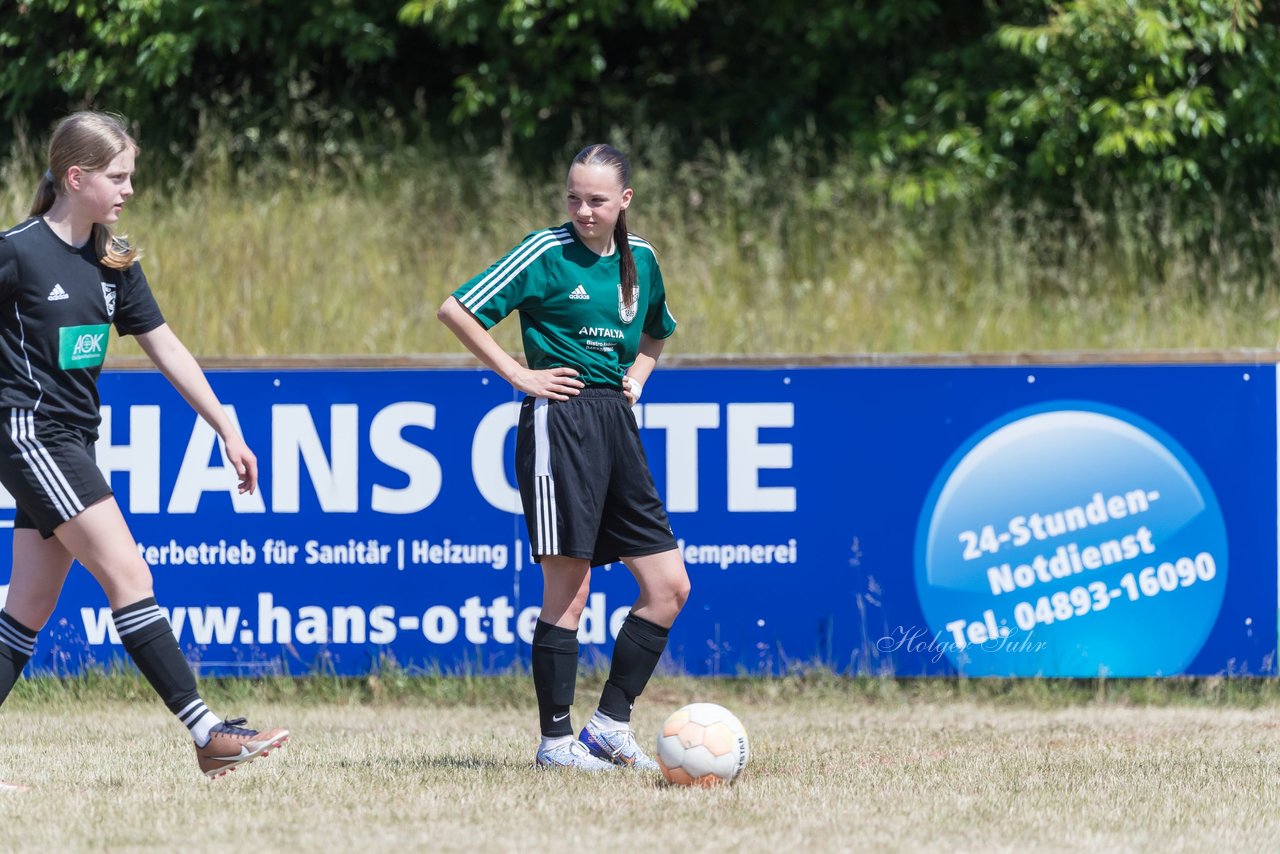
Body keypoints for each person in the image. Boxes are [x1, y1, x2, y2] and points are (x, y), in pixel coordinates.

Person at [0, 111, 288, 789]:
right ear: (77, 177)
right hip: (31, 435)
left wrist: (227, 425)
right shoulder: (15, 252)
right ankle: (207, 734)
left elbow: (166, 346)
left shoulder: (114, 258)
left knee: (27, 610)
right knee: (130, 576)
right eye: (118, 175)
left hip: (73, 442)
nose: (130, 188)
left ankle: (208, 735)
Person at [438, 143, 691, 771]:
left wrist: (638, 376)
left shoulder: (644, 261)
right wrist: (518, 376)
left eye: (597, 200)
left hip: (617, 422)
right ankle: (555, 744)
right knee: (569, 596)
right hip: (560, 422)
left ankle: (608, 727)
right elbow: (456, 309)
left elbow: (658, 329)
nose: (582, 209)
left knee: (668, 587)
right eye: (573, 196)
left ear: (624, 201)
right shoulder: (545, 251)